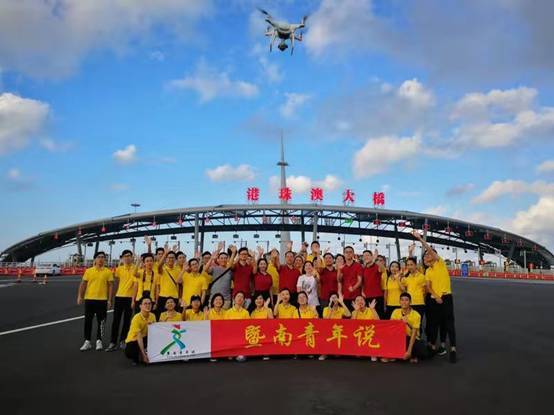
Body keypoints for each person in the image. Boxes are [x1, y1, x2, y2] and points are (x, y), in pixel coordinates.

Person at [412, 230, 457, 363]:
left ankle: (453, 349)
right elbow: (428, 286)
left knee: (449, 324)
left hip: (446, 298)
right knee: (434, 324)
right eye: (425, 255)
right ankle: (434, 346)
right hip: (435, 299)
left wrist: (420, 239)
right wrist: (435, 296)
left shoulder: (439, 263)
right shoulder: (428, 271)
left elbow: (429, 249)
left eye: (428, 254)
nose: (426, 256)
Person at [77, 251, 114, 351]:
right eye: (99, 257)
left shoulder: (108, 272)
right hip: (89, 299)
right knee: (88, 321)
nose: (101, 259)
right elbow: (83, 284)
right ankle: (87, 341)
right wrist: (80, 296)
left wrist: (110, 300)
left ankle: (99, 341)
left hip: (102, 300)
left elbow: (111, 286)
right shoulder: (89, 271)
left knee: (101, 322)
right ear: (95, 259)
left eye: (103, 257)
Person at [106, 250, 137, 352]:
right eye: (125, 256)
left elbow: (136, 284)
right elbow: (115, 283)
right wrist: (111, 298)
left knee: (127, 321)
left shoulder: (135, 269)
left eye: (129, 256)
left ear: (132, 257)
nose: (127, 258)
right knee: (116, 320)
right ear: (123, 258)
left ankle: (123, 340)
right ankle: (113, 342)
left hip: (129, 298)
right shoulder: (119, 269)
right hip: (119, 297)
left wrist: (133, 300)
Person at [390, 293, 429, 363]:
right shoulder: (395, 311)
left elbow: (414, 334)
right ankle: (409, 357)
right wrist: (400, 322)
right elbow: (391, 328)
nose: (404, 302)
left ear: (410, 302)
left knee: (423, 352)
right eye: (402, 300)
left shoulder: (416, 315)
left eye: (406, 300)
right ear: (399, 302)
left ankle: (408, 355)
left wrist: (409, 351)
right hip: (399, 338)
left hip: (411, 338)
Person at [400, 252, 427, 336]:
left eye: (411, 265)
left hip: (419, 303)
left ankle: (418, 340)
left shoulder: (421, 276)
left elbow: (425, 291)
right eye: (408, 265)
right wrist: (399, 278)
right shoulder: (407, 278)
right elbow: (402, 288)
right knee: (409, 323)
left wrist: (421, 298)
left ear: (415, 265)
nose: (409, 267)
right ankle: (410, 340)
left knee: (418, 324)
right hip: (409, 304)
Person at [124, 297, 156, 365]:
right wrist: (144, 355)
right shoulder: (136, 318)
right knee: (129, 352)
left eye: (149, 303)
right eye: (145, 304)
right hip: (134, 340)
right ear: (140, 306)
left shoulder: (153, 316)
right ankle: (140, 355)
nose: (148, 305)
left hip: (146, 337)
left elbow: (154, 332)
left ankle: (142, 354)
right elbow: (139, 337)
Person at [204, 244, 233, 309]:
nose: (223, 260)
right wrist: (211, 258)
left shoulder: (230, 270)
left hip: (226, 300)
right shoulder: (214, 268)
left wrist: (233, 253)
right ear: (218, 259)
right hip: (214, 298)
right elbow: (205, 269)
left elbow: (231, 264)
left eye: (225, 258)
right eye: (221, 258)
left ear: (228, 259)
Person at [155, 246, 181, 317]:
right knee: (161, 318)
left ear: (175, 259)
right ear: (166, 259)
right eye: (169, 258)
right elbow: (159, 266)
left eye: (172, 258)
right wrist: (165, 253)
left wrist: (179, 298)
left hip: (174, 297)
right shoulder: (163, 270)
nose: (171, 259)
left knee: (174, 318)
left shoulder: (178, 270)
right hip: (163, 297)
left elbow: (179, 285)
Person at [225, 291, 250, 362]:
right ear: (234, 299)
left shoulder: (246, 312)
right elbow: (225, 327)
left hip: (242, 338)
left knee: (241, 359)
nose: (240, 298)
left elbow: (248, 327)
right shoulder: (228, 312)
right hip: (231, 337)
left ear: (243, 301)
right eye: (238, 296)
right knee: (229, 357)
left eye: (242, 297)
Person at [361, 250, 385, 318]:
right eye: (364, 256)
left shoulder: (377, 266)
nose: (366, 257)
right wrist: (362, 291)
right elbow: (363, 282)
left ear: (372, 256)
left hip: (377, 296)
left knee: (379, 317)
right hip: (367, 297)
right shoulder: (363, 268)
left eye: (367, 255)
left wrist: (376, 259)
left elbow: (383, 269)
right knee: (368, 318)